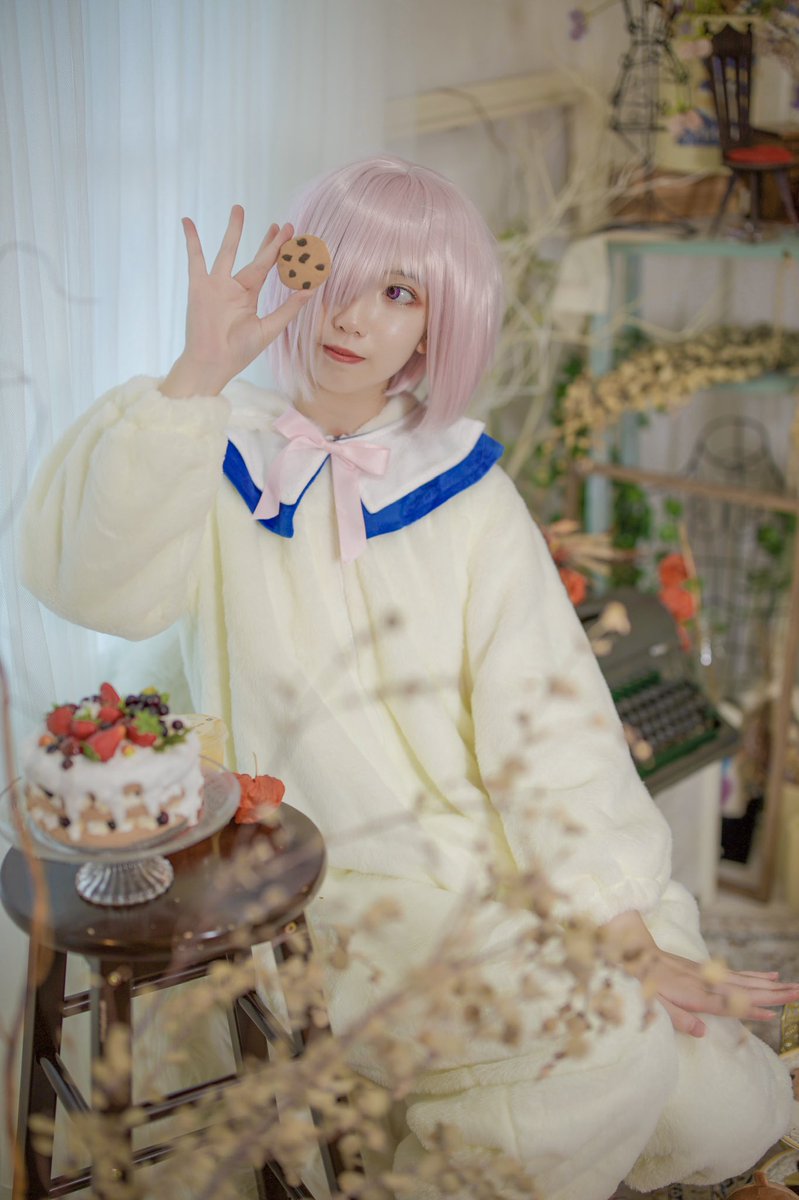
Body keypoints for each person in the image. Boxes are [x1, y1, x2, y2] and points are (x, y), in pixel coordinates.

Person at [19, 155, 798, 1200]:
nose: (353, 316)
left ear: (436, 325)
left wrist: (618, 925)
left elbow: (552, 726)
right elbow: (95, 588)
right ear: (296, 273)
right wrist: (196, 373)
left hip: (486, 862)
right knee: (610, 1043)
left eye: (400, 293)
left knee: (710, 1097)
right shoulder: (203, 438)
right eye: (337, 275)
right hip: (316, 879)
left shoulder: (465, 491)